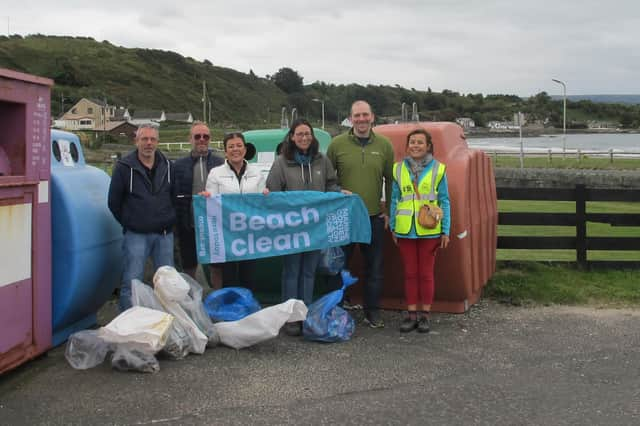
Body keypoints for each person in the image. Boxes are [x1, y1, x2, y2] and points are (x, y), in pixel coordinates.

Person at [266, 118, 346, 336]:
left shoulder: (322, 160)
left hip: (316, 228)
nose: (304, 138)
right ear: (292, 137)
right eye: (299, 134)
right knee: (292, 271)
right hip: (291, 228)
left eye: (307, 134)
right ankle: (291, 316)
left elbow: (331, 183)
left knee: (309, 271)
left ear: (312, 137)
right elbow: (273, 191)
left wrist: (339, 193)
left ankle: (306, 313)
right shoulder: (281, 162)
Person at [326, 100, 394, 328]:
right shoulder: (336, 144)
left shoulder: (385, 145)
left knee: (374, 268)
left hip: (373, 217)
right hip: (343, 217)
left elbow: (390, 181)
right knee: (337, 266)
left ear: (372, 117)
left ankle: (372, 311)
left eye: (365, 115)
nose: (362, 119)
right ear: (351, 118)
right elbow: (328, 180)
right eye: (357, 115)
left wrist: (390, 212)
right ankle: (336, 308)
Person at [108, 124, 176, 312]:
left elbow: (174, 197)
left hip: (164, 235)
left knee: (168, 284)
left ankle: (169, 322)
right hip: (136, 235)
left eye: (153, 139)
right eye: (144, 139)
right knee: (131, 281)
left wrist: (168, 219)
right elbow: (114, 202)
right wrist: (131, 222)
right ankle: (129, 324)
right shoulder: (124, 167)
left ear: (158, 142)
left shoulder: (169, 166)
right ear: (136, 141)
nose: (148, 143)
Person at [390, 128, 450, 333]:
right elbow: (394, 199)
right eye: (412, 142)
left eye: (420, 142)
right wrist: (393, 227)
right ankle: (411, 314)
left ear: (428, 146)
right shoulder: (397, 169)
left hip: (429, 231)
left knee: (425, 274)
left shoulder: (438, 169)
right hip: (406, 230)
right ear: (407, 146)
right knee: (410, 274)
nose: (415, 146)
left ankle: (425, 316)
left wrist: (446, 230)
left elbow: (444, 201)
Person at [204, 132, 266, 287]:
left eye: (239, 145)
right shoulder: (215, 173)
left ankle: (248, 309)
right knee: (228, 279)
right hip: (227, 236)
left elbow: (262, 205)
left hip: (250, 235)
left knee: (249, 278)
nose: (235, 149)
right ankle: (230, 310)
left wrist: (265, 196)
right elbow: (211, 205)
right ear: (225, 151)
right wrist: (205, 198)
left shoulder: (256, 173)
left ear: (245, 150)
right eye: (231, 146)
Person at [172, 121, 224, 286]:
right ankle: (192, 304)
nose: (202, 139)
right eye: (197, 136)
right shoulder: (178, 165)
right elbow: (172, 194)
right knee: (189, 267)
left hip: (215, 225)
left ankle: (218, 302)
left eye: (206, 136)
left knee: (217, 267)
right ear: (190, 139)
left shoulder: (221, 163)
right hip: (189, 224)